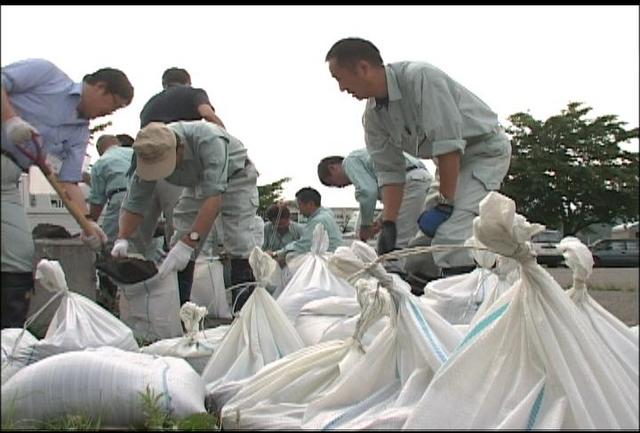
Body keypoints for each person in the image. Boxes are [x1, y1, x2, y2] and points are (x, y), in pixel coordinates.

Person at [325, 37, 512, 277]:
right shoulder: (373, 118)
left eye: (339, 78)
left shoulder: (421, 79)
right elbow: (391, 173)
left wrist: (445, 204)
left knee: (452, 236)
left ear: (363, 68)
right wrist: (390, 224)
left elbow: (448, 146)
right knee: (417, 255)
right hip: (447, 165)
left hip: (484, 152)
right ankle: (430, 300)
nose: (341, 88)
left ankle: (469, 304)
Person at [1, 59, 133, 328]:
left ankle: (9, 340)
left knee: (20, 254)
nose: (108, 114)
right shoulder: (46, 74)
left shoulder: (79, 132)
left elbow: (69, 181)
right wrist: (10, 120)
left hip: (8, 180)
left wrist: (87, 223)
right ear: (100, 88)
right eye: (113, 105)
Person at [112, 121, 259, 312]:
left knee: (237, 239)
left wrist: (190, 242)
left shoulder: (209, 140)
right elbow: (135, 202)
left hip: (236, 176)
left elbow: (213, 199)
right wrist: (122, 238)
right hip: (196, 183)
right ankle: (180, 312)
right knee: (179, 239)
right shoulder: (146, 152)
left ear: (179, 148)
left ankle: (244, 314)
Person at [127, 67, 226, 292]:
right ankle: (179, 302)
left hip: (145, 168)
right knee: (182, 235)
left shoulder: (149, 104)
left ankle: (137, 292)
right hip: (176, 166)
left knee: (136, 239)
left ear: (164, 83)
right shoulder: (193, 94)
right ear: (187, 82)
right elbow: (208, 115)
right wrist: (223, 142)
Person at [318, 148, 432, 273]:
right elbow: (392, 200)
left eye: (333, 182)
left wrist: (365, 226)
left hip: (410, 183)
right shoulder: (368, 161)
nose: (339, 187)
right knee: (419, 238)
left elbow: (367, 192)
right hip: (419, 181)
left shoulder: (349, 162)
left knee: (395, 243)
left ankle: (394, 281)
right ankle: (423, 276)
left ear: (332, 168)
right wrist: (381, 219)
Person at [272, 187, 343, 264]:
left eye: (299, 205)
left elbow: (302, 246)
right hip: (336, 259)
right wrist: (288, 203)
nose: (298, 209)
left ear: (311, 204)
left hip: (327, 263)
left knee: (290, 258)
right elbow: (300, 203)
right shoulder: (326, 212)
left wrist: (276, 254)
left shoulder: (317, 221)